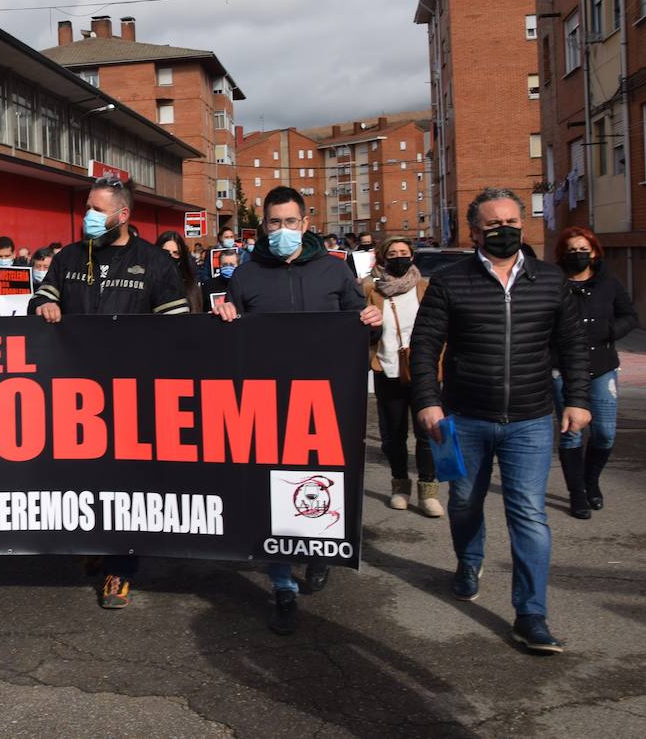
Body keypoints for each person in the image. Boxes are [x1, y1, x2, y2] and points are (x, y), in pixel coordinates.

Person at [409, 188, 590, 654]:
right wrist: (428, 401)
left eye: (511, 221)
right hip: (461, 418)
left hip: (530, 420)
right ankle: (469, 561)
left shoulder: (552, 282)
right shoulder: (450, 282)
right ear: (474, 232)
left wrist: (578, 399)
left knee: (528, 514)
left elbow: (572, 347)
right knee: (464, 501)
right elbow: (425, 345)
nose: (505, 229)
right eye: (493, 225)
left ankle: (531, 614)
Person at [211, 186, 382, 636]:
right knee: (271, 489)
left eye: (290, 222)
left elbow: (357, 326)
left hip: (326, 401)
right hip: (267, 403)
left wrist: (369, 322)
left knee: (322, 484)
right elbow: (230, 342)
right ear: (262, 226)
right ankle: (282, 581)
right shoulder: (246, 277)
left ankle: (320, 555)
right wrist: (224, 316)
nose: (282, 231)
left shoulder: (333, 270)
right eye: (274, 223)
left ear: (306, 224)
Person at [30, 177, 189, 609]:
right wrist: (45, 305)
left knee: (126, 484)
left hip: (131, 395)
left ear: (122, 215)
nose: (88, 216)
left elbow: (178, 328)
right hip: (75, 393)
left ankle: (122, 567)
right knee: (83, 479)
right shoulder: (67, 257)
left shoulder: (154, 263)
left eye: (97, 209)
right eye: (87, 207)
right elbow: (38, 303)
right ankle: (96, 543)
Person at [550, 226, 637, 519]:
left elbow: (630, 315)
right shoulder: (554, 283)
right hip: (563, 369)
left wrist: (611, 331)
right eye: (571, 250)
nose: (577, 255)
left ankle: (591, 481)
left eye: (582, 249)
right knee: (571, 433)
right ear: (562, 254)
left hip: (602, 367)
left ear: (595, 252)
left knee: (604, 433)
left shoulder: (608, 282)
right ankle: (577, 495)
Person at [363, 237, 441, 517]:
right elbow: (366, 331)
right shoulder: (372, 291)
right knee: (394, 435)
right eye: (393, 253)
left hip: (423, 371)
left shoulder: (426, 288)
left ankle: (428, 490)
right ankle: (400, 487)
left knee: (426, 433)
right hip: (388, 369)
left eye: (403, 253)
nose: (398, 257)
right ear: (384, 258)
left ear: (412, 257)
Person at [155, 230, 204, 313]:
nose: (170, 257)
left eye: (176, 253)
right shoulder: (149, 284)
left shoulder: (191, 287)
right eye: (165, 252)